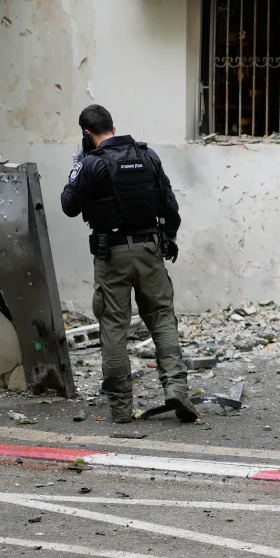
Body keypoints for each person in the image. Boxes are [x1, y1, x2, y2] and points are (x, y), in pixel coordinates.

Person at [60, 104, 194, 425]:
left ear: (87, 133)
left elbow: (69, 206)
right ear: (114, 127)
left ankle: (121, 408)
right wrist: (169, 238)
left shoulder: (91, 164)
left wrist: (78, 166)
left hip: (112, 255)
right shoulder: (148, 157)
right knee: (162, 318)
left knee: (114, 326)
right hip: (150, 249)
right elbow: (170, 205)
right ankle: (177, 389)